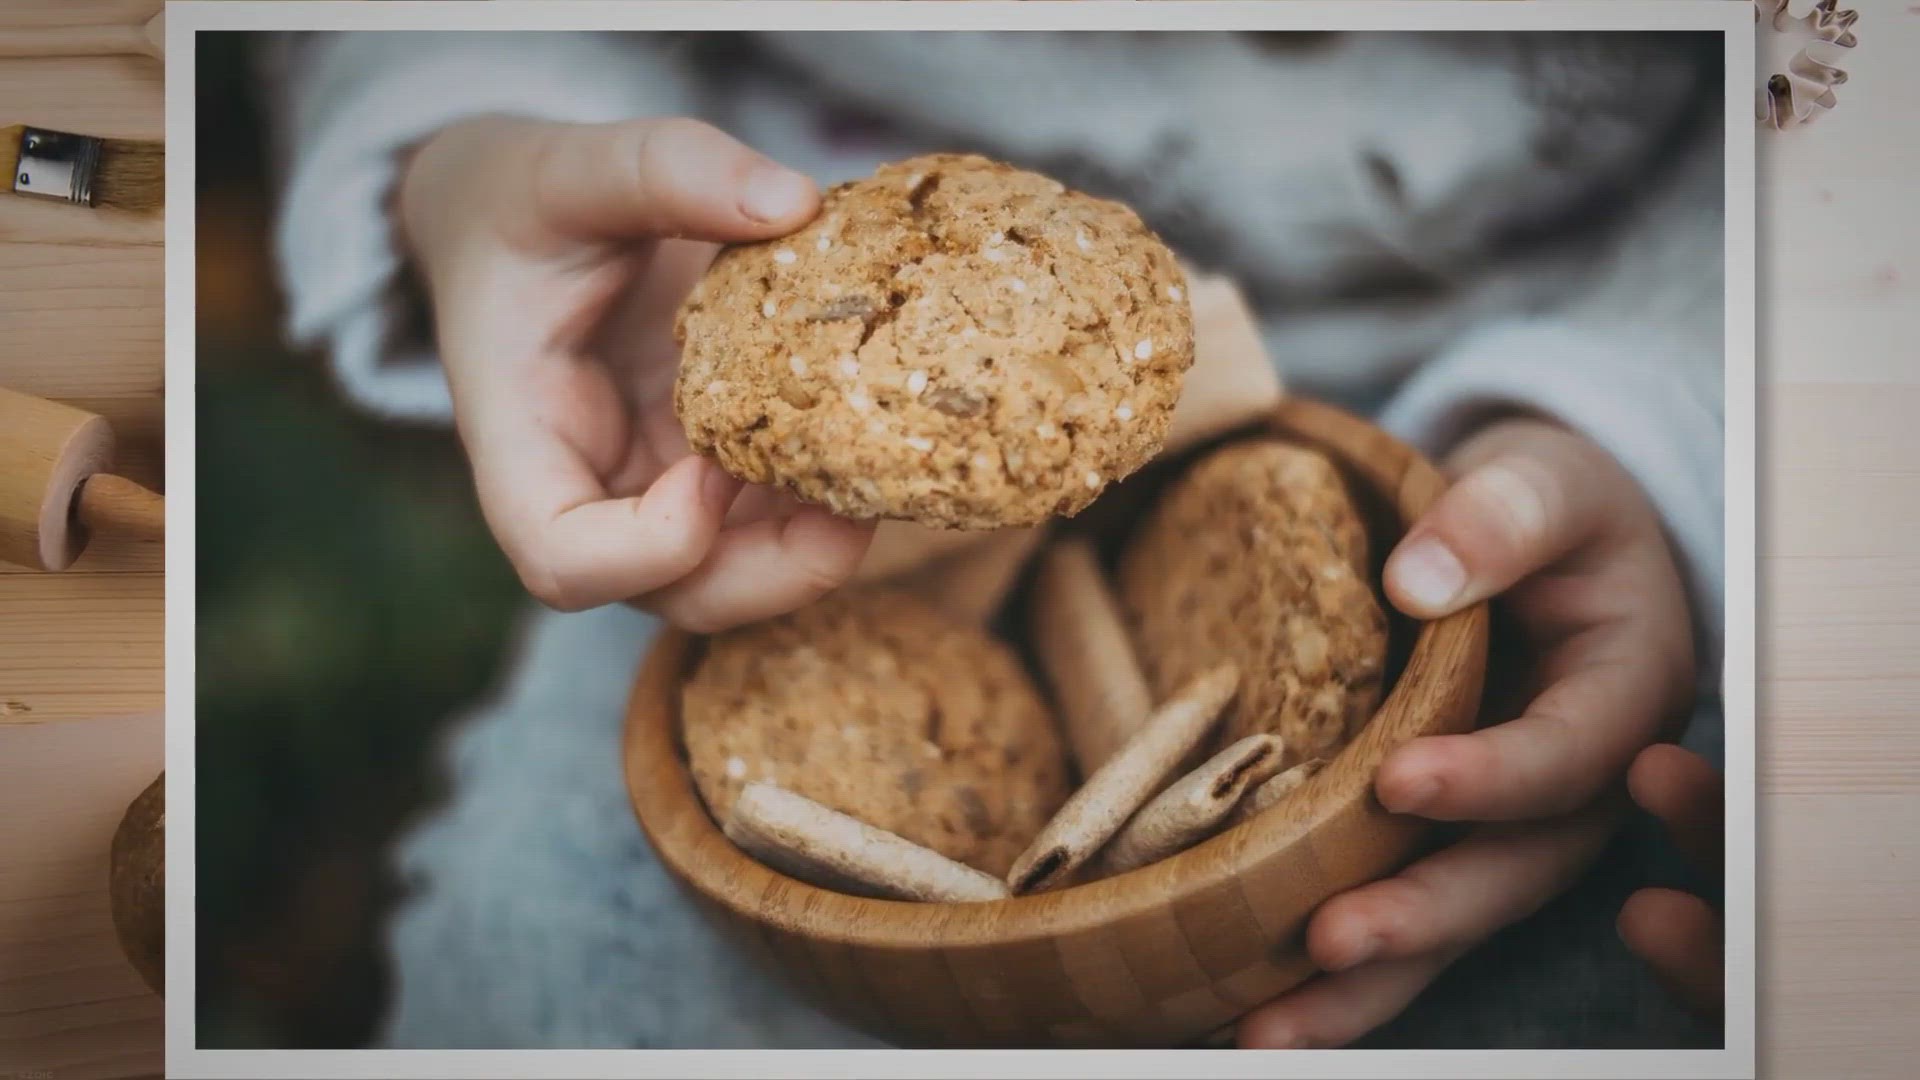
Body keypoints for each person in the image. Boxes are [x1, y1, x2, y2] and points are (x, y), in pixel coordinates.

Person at [255, 29, 1727, 1049]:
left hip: (1555, 408)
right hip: (745, 449)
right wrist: (475, 141)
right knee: (544, 959)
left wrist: (1650, 412)